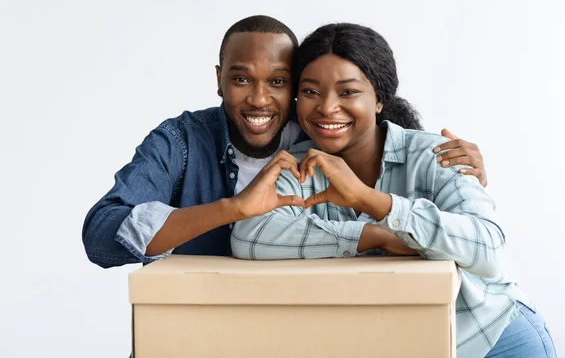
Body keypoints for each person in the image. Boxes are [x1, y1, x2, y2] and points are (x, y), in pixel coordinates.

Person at [231, 23, 556, 357]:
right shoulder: (296, 165)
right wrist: (375, 235)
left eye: (347, 92)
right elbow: (250, 234)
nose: (327, 108)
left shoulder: (438, 155)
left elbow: (489, 249)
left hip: (491, 337)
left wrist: (370, 200)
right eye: (311, 91)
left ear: (380, 99)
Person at [82, 15, 487, 268]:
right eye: (241, 79)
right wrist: (231, 209)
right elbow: (102, 236)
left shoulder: (317, 134)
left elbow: (384, 136)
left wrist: (462, 171)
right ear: (218, 79)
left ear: (294, 87)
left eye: (277, 82)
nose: (259, 99)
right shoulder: (182, 141)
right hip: (194, 322)